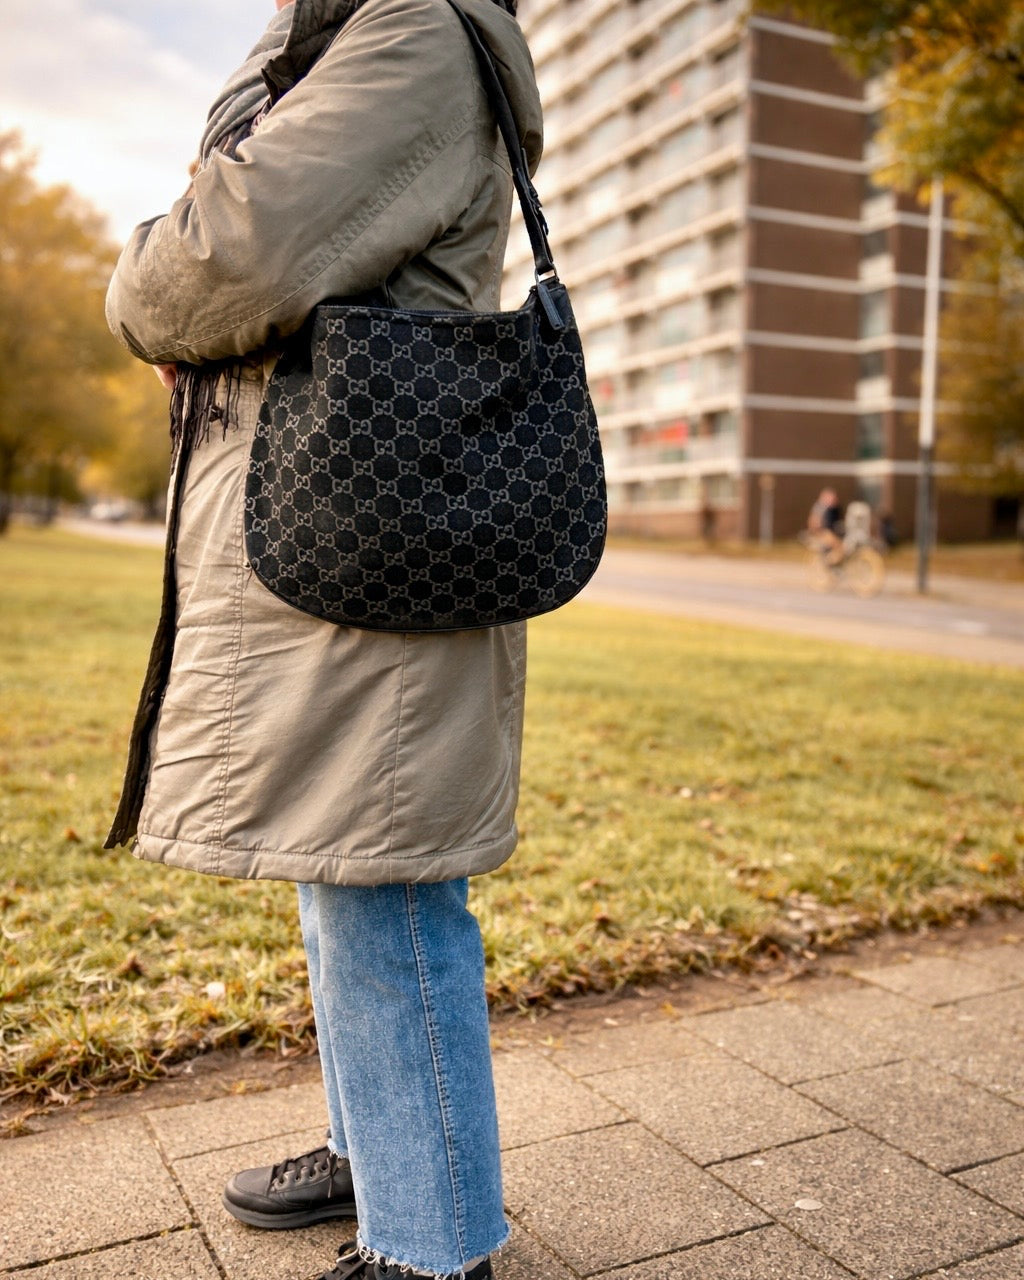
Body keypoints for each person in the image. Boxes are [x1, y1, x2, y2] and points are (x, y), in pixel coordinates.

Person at [103, 2, 542, 1278]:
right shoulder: (361, 26)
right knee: (344, 857)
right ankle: (385, 1149)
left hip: (372, 525)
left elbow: (218, 259)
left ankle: (434, 1238)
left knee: (386, 882)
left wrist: (143, 264)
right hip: (342, 521)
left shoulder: (411, 28)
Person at [807, 486, 844, 561]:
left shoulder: (833, 509)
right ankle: (830, 560)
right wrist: (817, 532)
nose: (833, 500)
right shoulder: (820, 507)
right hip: (823, 532)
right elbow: (813, 521)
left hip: (831, 531)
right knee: (838, 545)